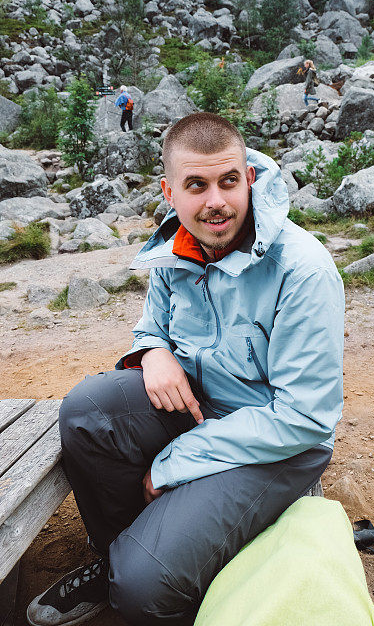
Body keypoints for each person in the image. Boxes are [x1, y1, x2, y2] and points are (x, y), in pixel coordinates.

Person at [27, 112, 345, 626]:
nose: (215, 201)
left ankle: (143, 576)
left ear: (250, 179)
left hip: (280, 441)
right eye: (196, 185)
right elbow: (151, 325)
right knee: (88, 411)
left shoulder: (302, 269)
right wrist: (153, 352)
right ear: (170, 192)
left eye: (228, 181)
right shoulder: (177, 247)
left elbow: (305, 417)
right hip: (204, 407)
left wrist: (173, 463)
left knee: (144, 588)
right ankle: (118, 559)